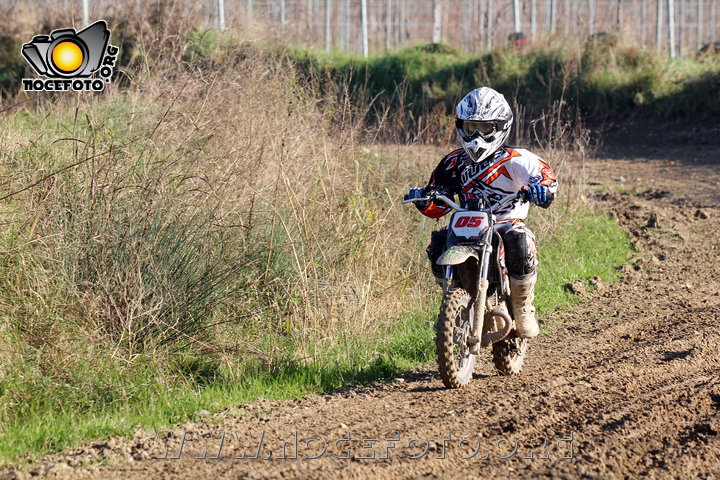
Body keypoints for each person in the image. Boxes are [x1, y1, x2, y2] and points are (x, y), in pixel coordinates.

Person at [406, 87, 558, 339]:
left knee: (519, 239)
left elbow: (545, 177)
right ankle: (450, 304)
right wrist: (424, 199)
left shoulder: (517, 159)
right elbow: (439, 204)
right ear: (460, 126)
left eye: (486, 128)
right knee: (438, 242)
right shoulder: (453, 162)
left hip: (505, 220)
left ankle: (522, 306)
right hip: (467, 222)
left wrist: (542, 190)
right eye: (470, 127)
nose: (477, 135)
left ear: (501, 126)